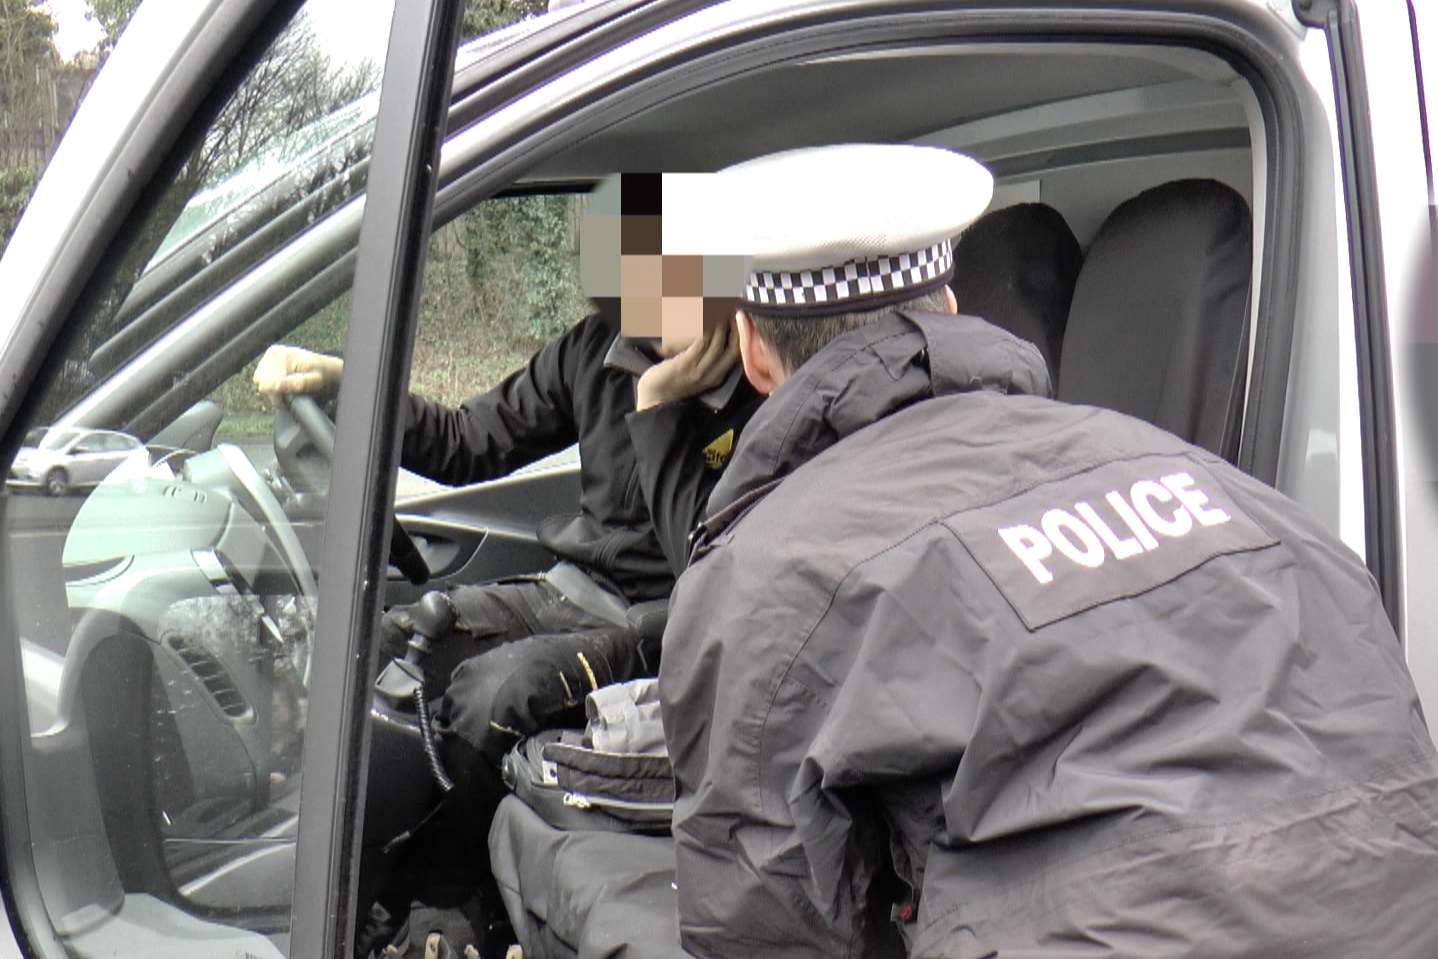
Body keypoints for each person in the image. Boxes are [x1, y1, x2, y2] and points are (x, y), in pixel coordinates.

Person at [658, 143, 1438, 958]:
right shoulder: (1195, 472)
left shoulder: (765, 573)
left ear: (750, 349)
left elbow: (766, 924)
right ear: (951, 308)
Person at [255, 243, 762, 954]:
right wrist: (348, 383)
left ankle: (453, 895)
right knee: (393, 642)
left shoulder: (757, 381)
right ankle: (352, 885)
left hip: (669, 618)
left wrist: (659, 405)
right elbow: (469, 442)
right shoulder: (597, 350)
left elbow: (709, 568)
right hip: (572, 591)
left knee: (498, 693)